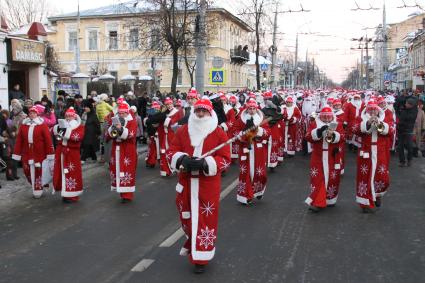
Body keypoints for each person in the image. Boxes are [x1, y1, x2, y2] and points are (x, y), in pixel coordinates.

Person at [166, 99, 230, 274]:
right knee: (187, 218)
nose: (200, 114)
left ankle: (201, 258)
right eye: (198, 111)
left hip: (207, 186)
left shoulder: (218, 133)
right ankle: (192, 242)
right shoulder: (183, 131)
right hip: (186, 183)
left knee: (204, 221)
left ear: (210, 113)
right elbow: (171, 152)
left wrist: (205, 164)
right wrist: (182, 159)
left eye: (204, 111)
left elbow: (225, 160)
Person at [355, 100, 393, 212]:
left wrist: (380, 124)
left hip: (381, 151)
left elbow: (391, 130)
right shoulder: (361, 118)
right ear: (367, 110)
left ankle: (377, 195)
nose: (372, 112)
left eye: (374, 109)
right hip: (366, 152)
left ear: (378, 110)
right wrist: (367, 124)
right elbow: (355, 130)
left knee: (382, 177)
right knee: (365, 177)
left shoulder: (385, 117)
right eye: (370, 109)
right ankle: (365, 203)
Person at [305, 106, 344, 212]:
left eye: (328, 117)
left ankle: (330, 199)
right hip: (318, 155)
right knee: (318, 179)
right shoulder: (314, 124)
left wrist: (334, 135)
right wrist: (318, 132)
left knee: (333, 179)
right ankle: (318, 202)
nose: (327, 119)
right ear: (320, 117)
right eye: (324, 117)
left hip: (332, 156)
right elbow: (308, 137)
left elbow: (343, 137)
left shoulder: (338, 124)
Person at [233, 99, 270, 205]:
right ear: (247, 109)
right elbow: (235, 131)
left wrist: (258, 131)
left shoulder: (262, 119)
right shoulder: (241, 119)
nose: (252, 111)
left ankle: (258, 190)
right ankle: (245, 196)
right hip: (245, 149)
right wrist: (243, 134)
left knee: (260, 173)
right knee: (245, 173)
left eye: (254, 108)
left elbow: (268, 132)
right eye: (250, 108)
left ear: (256, 109)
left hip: (258, 149)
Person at [12, 106, 54, 198]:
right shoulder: (24, 125)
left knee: (38, 171)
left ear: (37, 114)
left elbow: (48, 140)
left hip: (39, 152)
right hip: (27, 152)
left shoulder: (42, 125)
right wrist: (16, 153)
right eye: (30, 113)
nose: (32, 115)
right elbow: (19, 141)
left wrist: (50, 153)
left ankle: (38, 189)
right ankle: (37, 185)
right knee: (27, 171)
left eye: (34, 113)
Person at [107, 103, 138, 203]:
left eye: (123, 113)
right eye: (120, 113)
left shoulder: (132, 121)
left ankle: (127, 195)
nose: (121, 115)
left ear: (127, 112)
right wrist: (112, 129)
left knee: (127, 170)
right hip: (117, 149)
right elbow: (108, 135)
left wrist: (121, 129)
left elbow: (131, 134)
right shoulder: (115, 120)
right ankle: (122, 192)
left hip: (127, 149)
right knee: (117, 170)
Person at [52, 107, 85, 203]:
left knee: (72, 173)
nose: (68, 118)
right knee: (62, 172)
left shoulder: (79, 126)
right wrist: (58, 129)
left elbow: (78, 137)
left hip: (72, 153)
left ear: (74, 117)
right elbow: (58, 138)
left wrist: (66, 133)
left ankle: (73, 195)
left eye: (70, 116)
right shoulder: (63, 126)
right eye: (66, 116)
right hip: (62, 151)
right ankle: (65, 192)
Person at [397, 97, 418, 167]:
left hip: (408, 130)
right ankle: (402, 161)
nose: (405, 104)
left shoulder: (414, 111)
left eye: (407, 103)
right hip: (401, 130)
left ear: (411, 105)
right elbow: (400, 118)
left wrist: (401, 121)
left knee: (409, 146)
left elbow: (408, 118)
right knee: (400, 146)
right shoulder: (404, 109)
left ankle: (409, 159)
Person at [96, 93, 114, 163]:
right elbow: (113, 110)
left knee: (102, 141)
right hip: (107, 123)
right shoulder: (105, 104)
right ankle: (108, 157)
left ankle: (102, 157)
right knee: (108, 140)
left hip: (100, 123)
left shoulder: (97, 105)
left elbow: (97, 115)